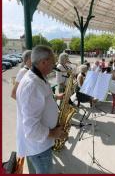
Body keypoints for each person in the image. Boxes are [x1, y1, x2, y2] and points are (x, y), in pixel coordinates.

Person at [16, 45, 67, 174]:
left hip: (42, 144)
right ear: (44, 62)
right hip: (39, 148)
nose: (55, 63)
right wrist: (55, 133)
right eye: (53, 60)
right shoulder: (32, 85)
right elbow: (31, 129)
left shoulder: (39, 77)